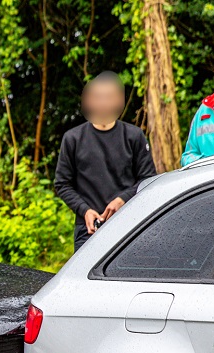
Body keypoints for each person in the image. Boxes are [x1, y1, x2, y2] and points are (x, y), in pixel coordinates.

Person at [55, 72, 156, 251]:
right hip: (88, 229)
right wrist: (84, 210)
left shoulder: (134, 136)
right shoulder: (72, 138)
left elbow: (149, 180)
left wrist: (123, 199)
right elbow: (62, 183)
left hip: (129, 226)